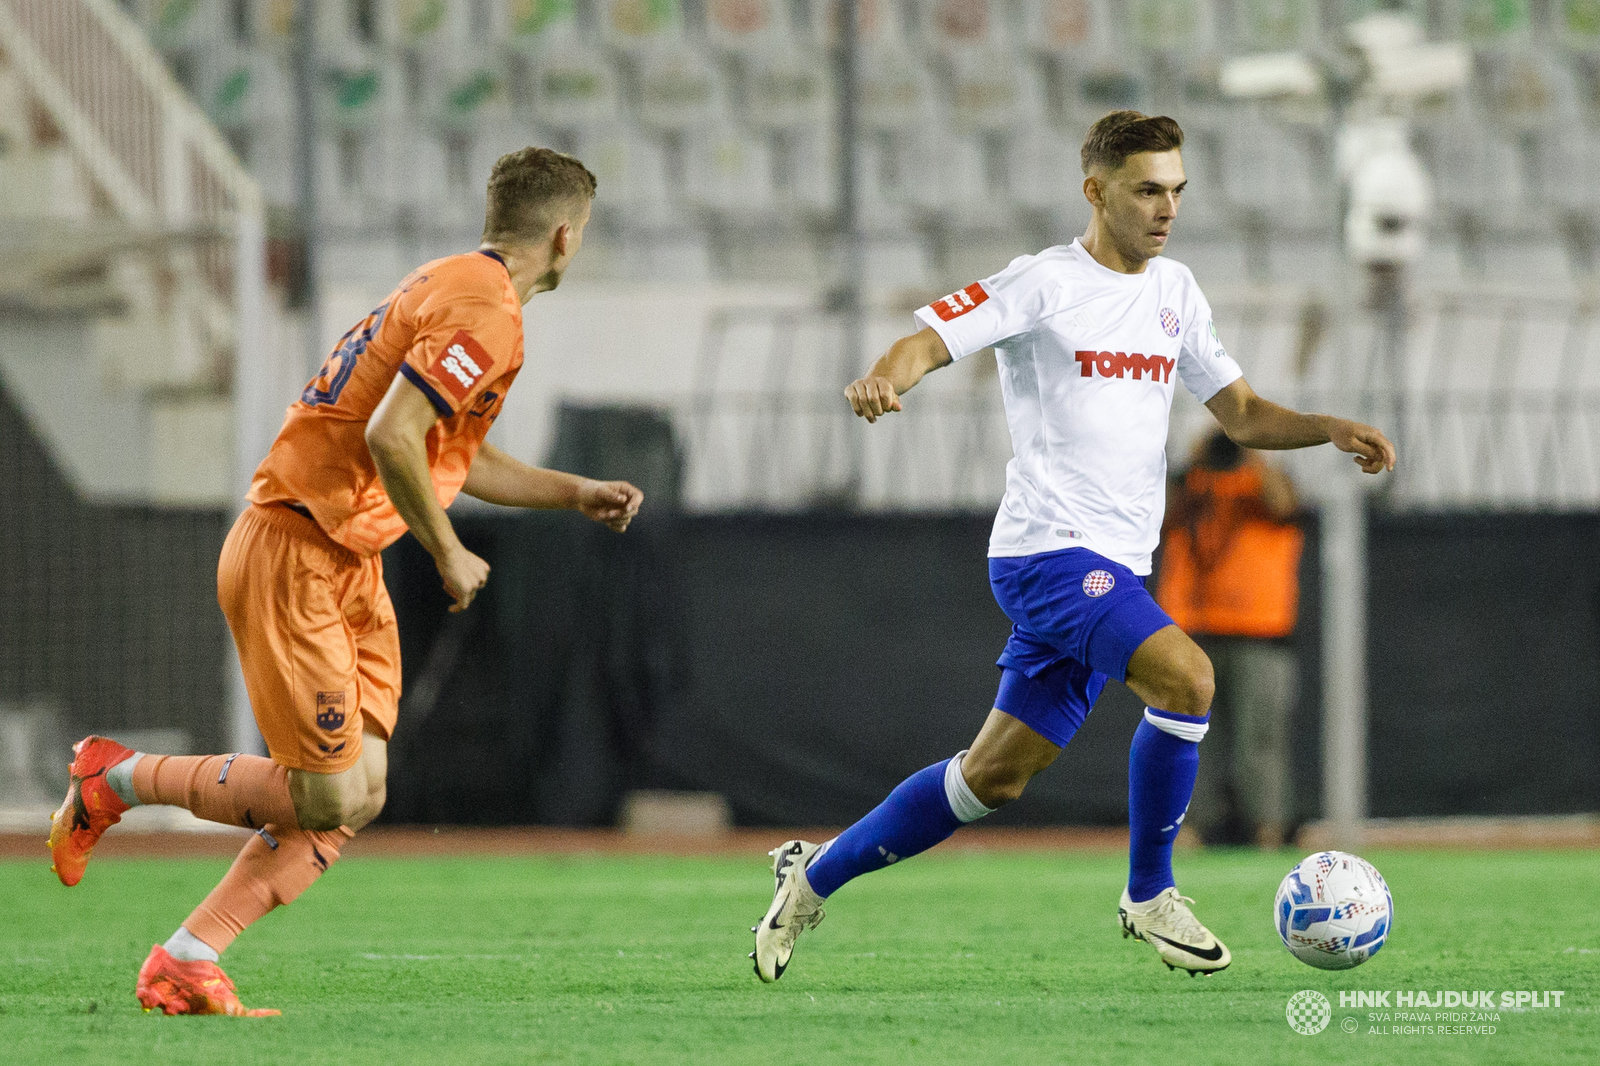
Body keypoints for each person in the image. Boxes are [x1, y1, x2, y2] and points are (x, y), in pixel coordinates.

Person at [751, 110, 1395, 982]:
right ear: (1095, 191)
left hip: (1116, 566)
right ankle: (1148, 893)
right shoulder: (1044, 282)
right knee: (1190, 677)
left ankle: (812, 875)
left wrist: (1326, 427)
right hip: (1046, 554)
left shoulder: (1176, 293)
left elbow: (1239, 413)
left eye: (1176, 191)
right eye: (1146, 190)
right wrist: (882, 378)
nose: (1166, 209)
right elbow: (929, 341)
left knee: (990, 780)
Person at [48, 147, 644, 1016]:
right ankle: (117, 778)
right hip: (296, 545)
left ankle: (186, 958)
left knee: (359, 793)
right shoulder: (486, 310)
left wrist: (572, 492)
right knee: (323, 791)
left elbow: (441, 450)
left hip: (344, 557)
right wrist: (446, 551)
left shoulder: (450, 283)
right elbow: (393, 438)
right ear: (564, 235)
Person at [1156, 428, 1303, 849]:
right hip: (1190, 630)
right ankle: (1190, 830)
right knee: (1184, 737)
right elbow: (1159, 517)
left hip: (1261, 631)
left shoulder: (1266, 480)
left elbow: (1284, 505)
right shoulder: (1192, 483)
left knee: (1261, 740)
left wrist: (1251, 448)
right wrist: (1189, 464)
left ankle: (1269, 830)